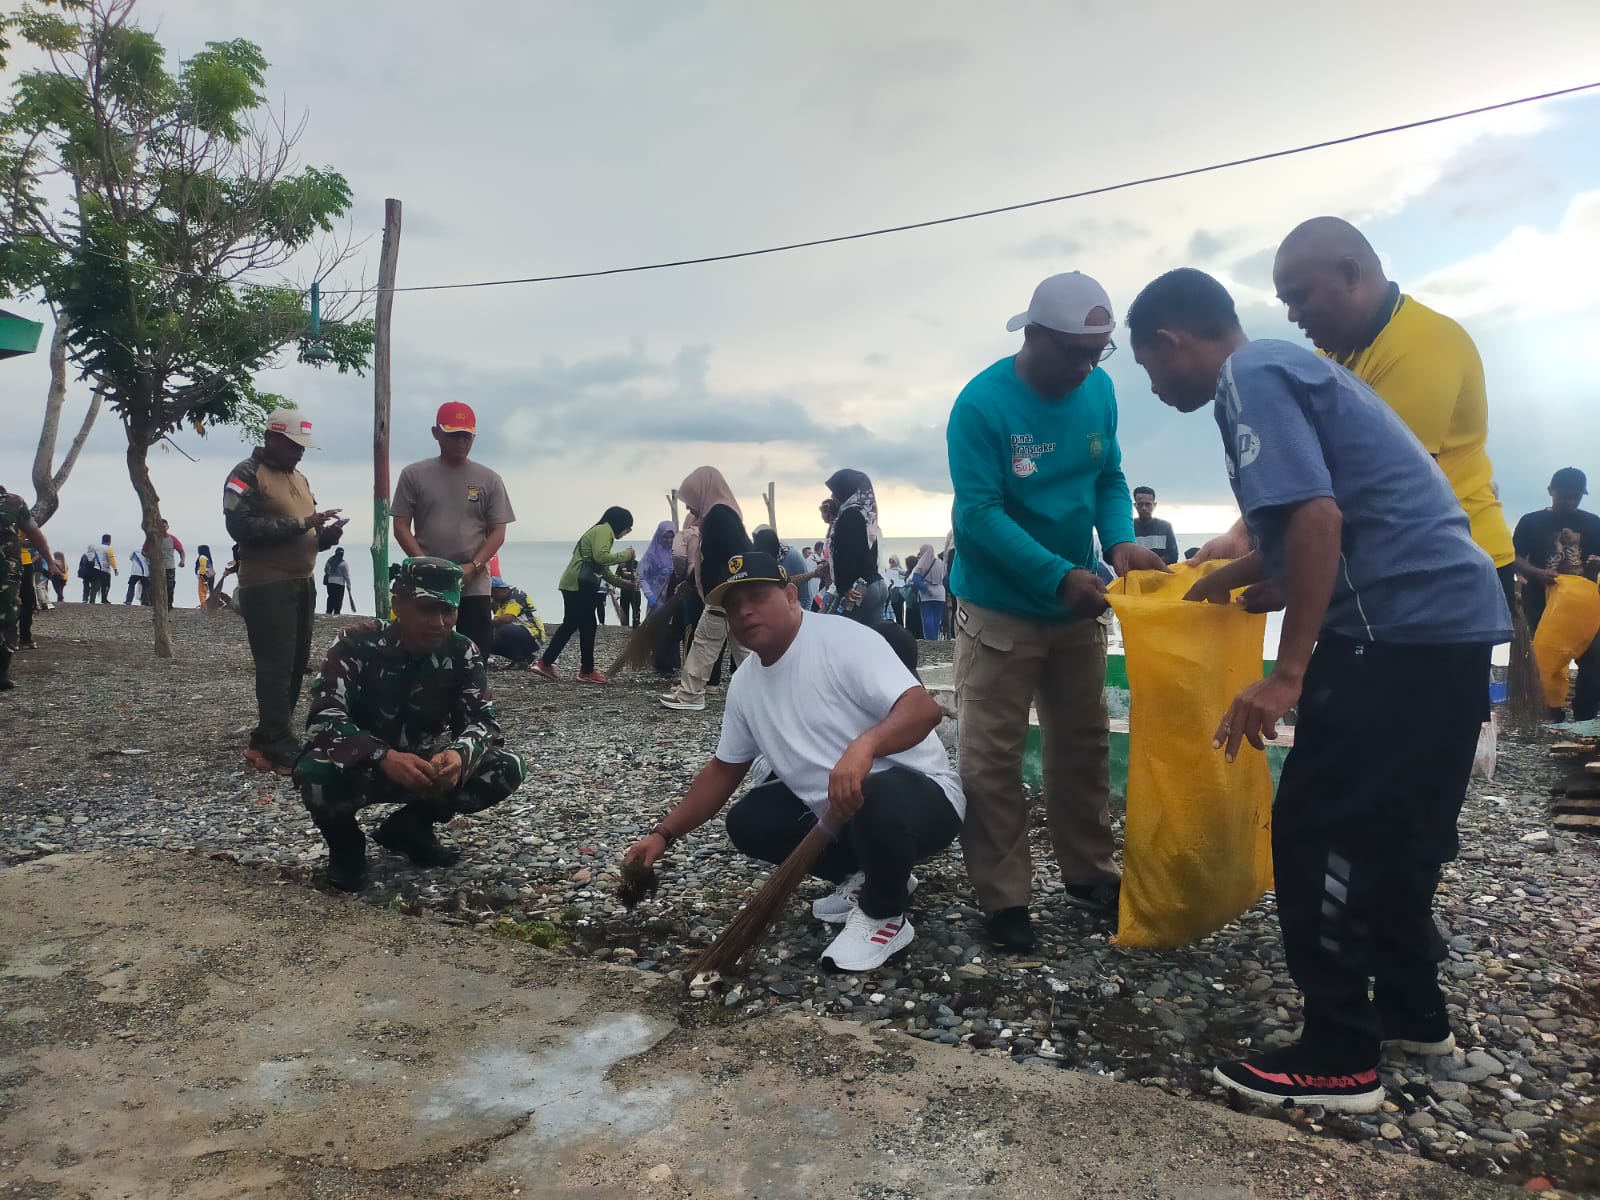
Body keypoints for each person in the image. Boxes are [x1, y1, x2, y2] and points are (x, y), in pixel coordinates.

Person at [1126, 266, 1510, 1112]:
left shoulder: (1250, 376)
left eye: (1149, 368)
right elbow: (1325, 527)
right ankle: (1413, 1014)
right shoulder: (1304, 372)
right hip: (1451, 626)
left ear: (1172, 340)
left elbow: (1318, 524)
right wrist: (1225, 584)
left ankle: (1339, 1052)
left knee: (1319, 826)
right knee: (1402, 831)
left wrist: (1287, 673)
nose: (1154, 387)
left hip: (1392, 634)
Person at [946, 270, 1169, 954]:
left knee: (1083, 745)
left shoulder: (1098, 392)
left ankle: (1088, 873)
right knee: (991, 758)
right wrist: (1056, 575)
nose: (1085, 367)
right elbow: (977, 515)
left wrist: (1121, 540)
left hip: (1078, 604)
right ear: (1033, 335)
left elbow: (1107, 477)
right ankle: (1006, 895)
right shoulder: (982, 407)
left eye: (1097, 352)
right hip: (1000, 610)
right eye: (1073, 351)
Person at [621, 547, 962, 971]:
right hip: (842, 815)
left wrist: (865, 746)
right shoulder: (745, 683)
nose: (745, 612)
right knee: (749, 821)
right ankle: (869, 874)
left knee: (878, 792)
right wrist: (663, 835)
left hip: (922, 800)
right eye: (733, 606)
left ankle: (884, 914)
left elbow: (924, 709)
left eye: (757, 597)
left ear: (789, 596)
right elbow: (723, 770)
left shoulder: (842, 640)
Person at [1198, 218, 1517, 608]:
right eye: (1286, 303)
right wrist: (1242, 536)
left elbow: (1373, 495)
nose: (1293, 316)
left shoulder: (1421, 347)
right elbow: (1305, 478)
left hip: (1452, 567)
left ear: (1351, 273)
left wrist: (1275, 572)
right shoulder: (1332, 357)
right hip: (1384, 563)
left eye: (1300, 297)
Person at [294, 557, 528, 892]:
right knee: (313, 772)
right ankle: (346, 847)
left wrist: (460, 755)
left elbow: (482, 721)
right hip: (362, 764)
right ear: (398, 605)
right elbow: (325, 716)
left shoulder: (463, 651)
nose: (439, 622)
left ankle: (410, 827)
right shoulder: (355, 643)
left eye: (448, 610)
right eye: (426, 609)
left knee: (507, 766)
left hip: (422, 765)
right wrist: (382, 756)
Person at [224, 409, 345, 773]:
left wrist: (324, 535)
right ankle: (278, 741)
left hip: (302, 580)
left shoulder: (300, 478)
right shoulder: (246, 474)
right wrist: (302, 523)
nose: (300, 452)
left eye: (303, 447)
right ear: (273, 439)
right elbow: (240, 526)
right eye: (294, 445)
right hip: (267, 583)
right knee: (275, 664)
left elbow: (304, 535)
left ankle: (270, 734)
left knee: (296, 663)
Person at [392, 402, 515, 658]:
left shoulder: (489, 479)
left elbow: (497, 532)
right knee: (422, 651)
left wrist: (474, 566)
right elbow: (401, 525)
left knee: (473, 655)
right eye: (454, 434)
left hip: (473, 582)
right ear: (437, 433)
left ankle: (470, 697)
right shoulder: (414, 474)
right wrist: (423, 563)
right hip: (427, 580)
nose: (461, 442)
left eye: (466, 436)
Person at [661, 467, 751, 712]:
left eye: (691, 502)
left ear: (703, 492)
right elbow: (708, 559)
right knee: (743, 648)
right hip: (727, 593)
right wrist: (690, 583)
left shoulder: (720, 515)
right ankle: (765, 693)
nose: (690, 509)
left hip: (723, 594)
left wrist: (728, 589)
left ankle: (690, 695)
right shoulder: (719, 514)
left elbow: (736, 555)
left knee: (704, 643)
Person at [1513, 467, 1600, 720]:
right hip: (1541, 603)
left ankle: (1585, 714)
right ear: (1551, 491)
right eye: (1565, 496)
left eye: (1576, 497)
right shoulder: (1531, 522)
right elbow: (1514, 557)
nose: (1570, 502)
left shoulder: (1593, 523)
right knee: (1547, 660)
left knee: (1594, 659)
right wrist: (1537, 573)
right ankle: (1551, 714)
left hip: (1583, 608)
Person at [534, 507, 636, 684]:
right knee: (587, 625)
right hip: (578, 584)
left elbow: (601, 567)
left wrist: (621, 583)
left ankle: (546, 663)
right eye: (627, 528)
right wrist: (627, 554)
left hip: (573, 583)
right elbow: (601, 557)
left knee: (571, 624)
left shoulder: (599, 530)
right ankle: (586, 671)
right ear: (620, 523)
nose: (626, 533)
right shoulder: (605, 530)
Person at [0, 484, 53, 691]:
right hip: (9, 571)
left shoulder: (14, 502)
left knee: (8, 616)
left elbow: (36, 534)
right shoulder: (15, 502)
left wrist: (50, 560)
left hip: (7, 573)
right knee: (7, 616)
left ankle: (2, 672)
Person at [821, 469, 887, 624]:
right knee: (876, 634)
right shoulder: (868, 514)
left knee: (841, 631)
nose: (833, 497)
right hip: (876, 583)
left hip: (858, 589)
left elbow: (847, 553)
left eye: (836, 492)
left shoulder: (849, 515)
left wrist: (844, 586)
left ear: (846, 490)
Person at [490, 576, 544, 664]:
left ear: (496, 590)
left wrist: (490, 622)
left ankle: (519, 660)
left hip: (534, 635)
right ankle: (526, 656)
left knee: (504, 629)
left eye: (492, 595)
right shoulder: (504, 602)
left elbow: (507, 619)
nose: (493, 599)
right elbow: (496, 619)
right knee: (489, 643)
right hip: (522, 633)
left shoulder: (516, 596)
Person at [907, 545, 947, 641]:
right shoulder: (941, 563)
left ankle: (930, 639)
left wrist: (925, 588)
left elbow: (915, 579)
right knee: (937, 617)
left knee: (927, 616)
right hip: (940, 592)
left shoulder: (921, 564)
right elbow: (945, 578)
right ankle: (936, 639)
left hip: (927, 594)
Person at [1131, 486, 1179, 565]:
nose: (1144, 508)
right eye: (1140, 504)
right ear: (1135, 505)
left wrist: (1149, 563)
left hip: (1161, 575)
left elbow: (1173, 556)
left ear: (1154, 505)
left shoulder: (1165, 527)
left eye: (1148, 504)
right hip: (1135, 576)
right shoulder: (1128, 529)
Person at [637, 521, 677, 615]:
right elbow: (640, 576)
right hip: (657, 596)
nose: (669, 541)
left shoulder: (677, 551)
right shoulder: (651, 554)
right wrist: (649, 594)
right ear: (659, 536)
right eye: (665, 537)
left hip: (674, 596)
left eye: (672, 537)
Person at [144, 521, 184, 609]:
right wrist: (152, 557)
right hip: (156, 567)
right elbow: (144, 551)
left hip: (169, 567)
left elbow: (181, 550)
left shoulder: (172, 539)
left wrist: (182, 560)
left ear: (168, 527)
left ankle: (169, 605)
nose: (163, 528)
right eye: (161, 526)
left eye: (165, 526)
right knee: (154, 587)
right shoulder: (152, 539)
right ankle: (154, 605)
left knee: (169, 587)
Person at [323, 547, 354, 614]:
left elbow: (325, 570)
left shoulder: (329, 561)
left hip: (330, 582)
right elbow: (346, 576)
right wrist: (349, 585)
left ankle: (329, 611)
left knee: (331, 597)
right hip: (339, 584)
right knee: (338, 599)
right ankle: (336, 612)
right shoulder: (343, 563)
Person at [91, 534, 117, 603]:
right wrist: (115, 569)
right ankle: (104, 599)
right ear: (109, 540)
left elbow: (92, 558)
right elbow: (112, 559)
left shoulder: (96, 548)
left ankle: (92, 600)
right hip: (105, 569)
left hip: (96, 568)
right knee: (106, 585)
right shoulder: (109, 549)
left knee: (95, 584)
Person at [884, 555, 906, 627]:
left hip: (897, 594)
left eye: (893, 561)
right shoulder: (887, 571)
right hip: (889, 593)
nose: (892, 563)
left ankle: (900, 626)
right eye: (890, 561)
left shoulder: (901, 571)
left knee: (898, 612)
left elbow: (904, 580)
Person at [194, 544, 217, 611]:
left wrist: (202, 574)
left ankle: (204, 606)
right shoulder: (208, 557)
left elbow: (203, 566)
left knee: (202, 591)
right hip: (211, 574)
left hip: (204, 575)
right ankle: (217, 603)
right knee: (211, 590)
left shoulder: (202, 557)